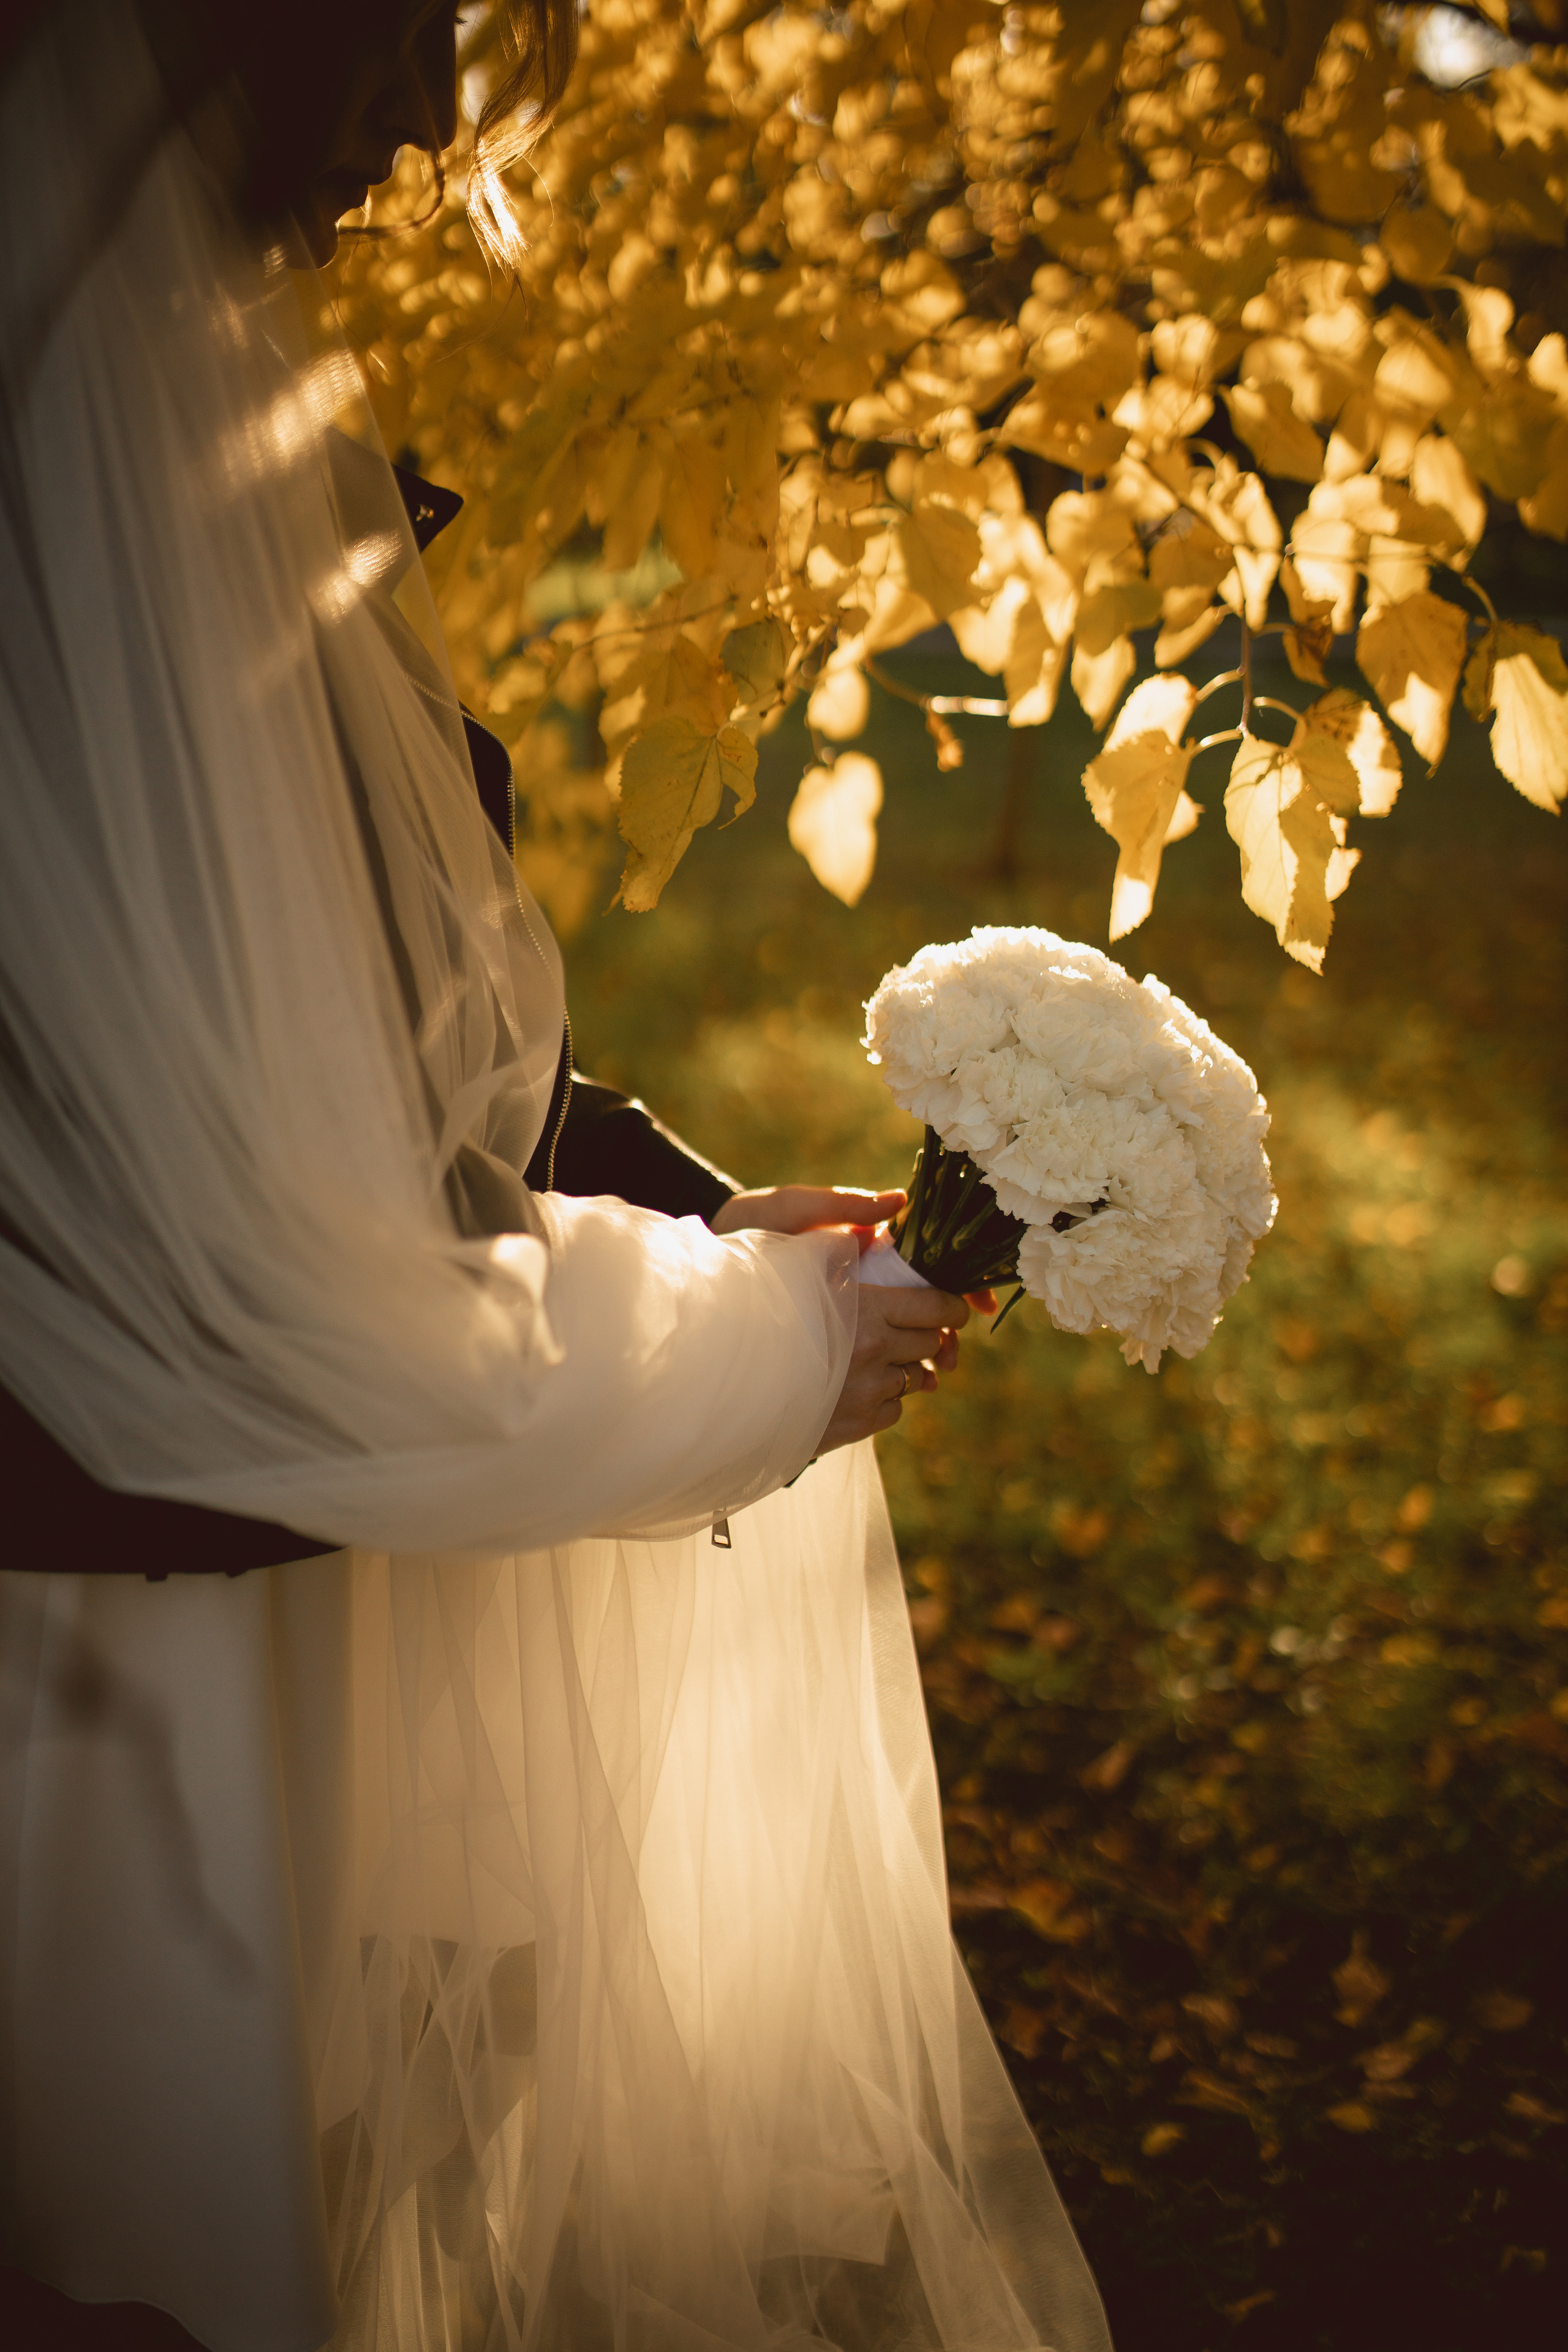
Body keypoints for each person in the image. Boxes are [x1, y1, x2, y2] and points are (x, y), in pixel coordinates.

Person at [0, 5, 1113, 2348]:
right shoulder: (86, 441)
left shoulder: (182, 390)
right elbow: (266, 1277)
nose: (437, 128)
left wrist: (698, 1216)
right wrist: (758, 1345)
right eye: (430, 38)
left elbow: (343, 1037)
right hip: (90, 1664)